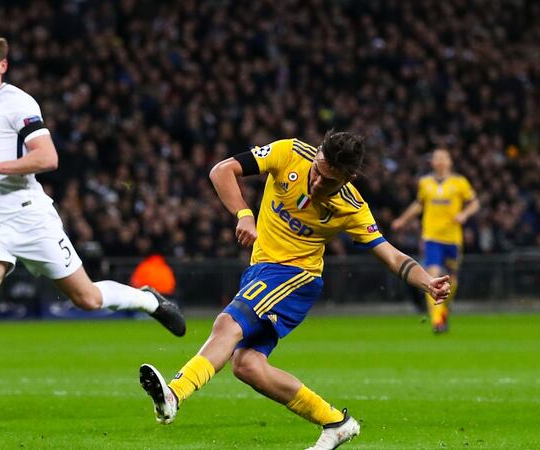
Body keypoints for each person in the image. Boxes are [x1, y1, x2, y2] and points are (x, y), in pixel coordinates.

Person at [0, 32, 186, 421]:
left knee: (87, 298)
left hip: (29, 218)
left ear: (2, 66)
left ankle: (149, 300)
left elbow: (47, 157)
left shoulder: (18, 103)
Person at [138, 132, 450, 450]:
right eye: (317, 171)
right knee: (247, 365)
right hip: (260, 270)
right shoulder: (290, 153)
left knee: (228, 323)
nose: (317, 183)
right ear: (317, 154)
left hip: (296, 276)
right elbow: (222, 170)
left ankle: (174, 394)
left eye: (329, 181)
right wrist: (244, 215)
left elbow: (391, 255)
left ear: (348, 179)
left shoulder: (351, 207)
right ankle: (336, 423)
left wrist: (427, 281)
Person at [391, 148, 479, 333]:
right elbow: (419, 204)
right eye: (436, 158)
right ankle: (437, 321)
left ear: (450, 161)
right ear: (432, 162)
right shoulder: (425, 183)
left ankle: (443, 309)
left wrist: (464, 214)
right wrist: (402, 220)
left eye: (443, 158)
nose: (439, 161)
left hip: (453, 239)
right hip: (431, 237)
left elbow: (475, 203)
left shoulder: (459, 182)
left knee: (452, 280)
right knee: (433, 276)